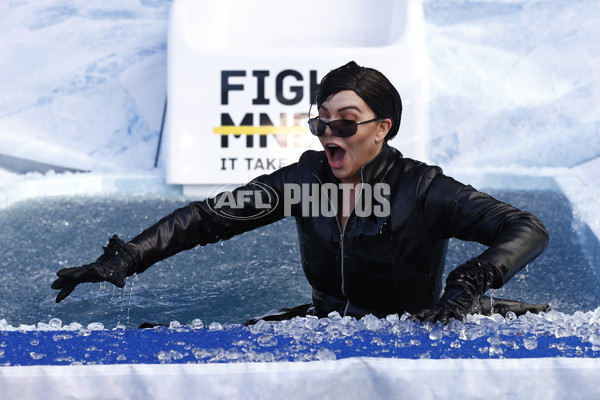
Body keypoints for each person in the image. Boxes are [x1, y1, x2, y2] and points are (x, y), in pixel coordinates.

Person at [52, 61, 550, 325]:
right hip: (326, 323)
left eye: (346, 123)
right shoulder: (302, 183)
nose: (329, 133)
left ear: (383, 129)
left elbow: (526, 228)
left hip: (413, 327)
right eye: (321, 122)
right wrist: (130, 255)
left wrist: (467, 285)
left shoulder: (423, 190)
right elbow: (210, 217)